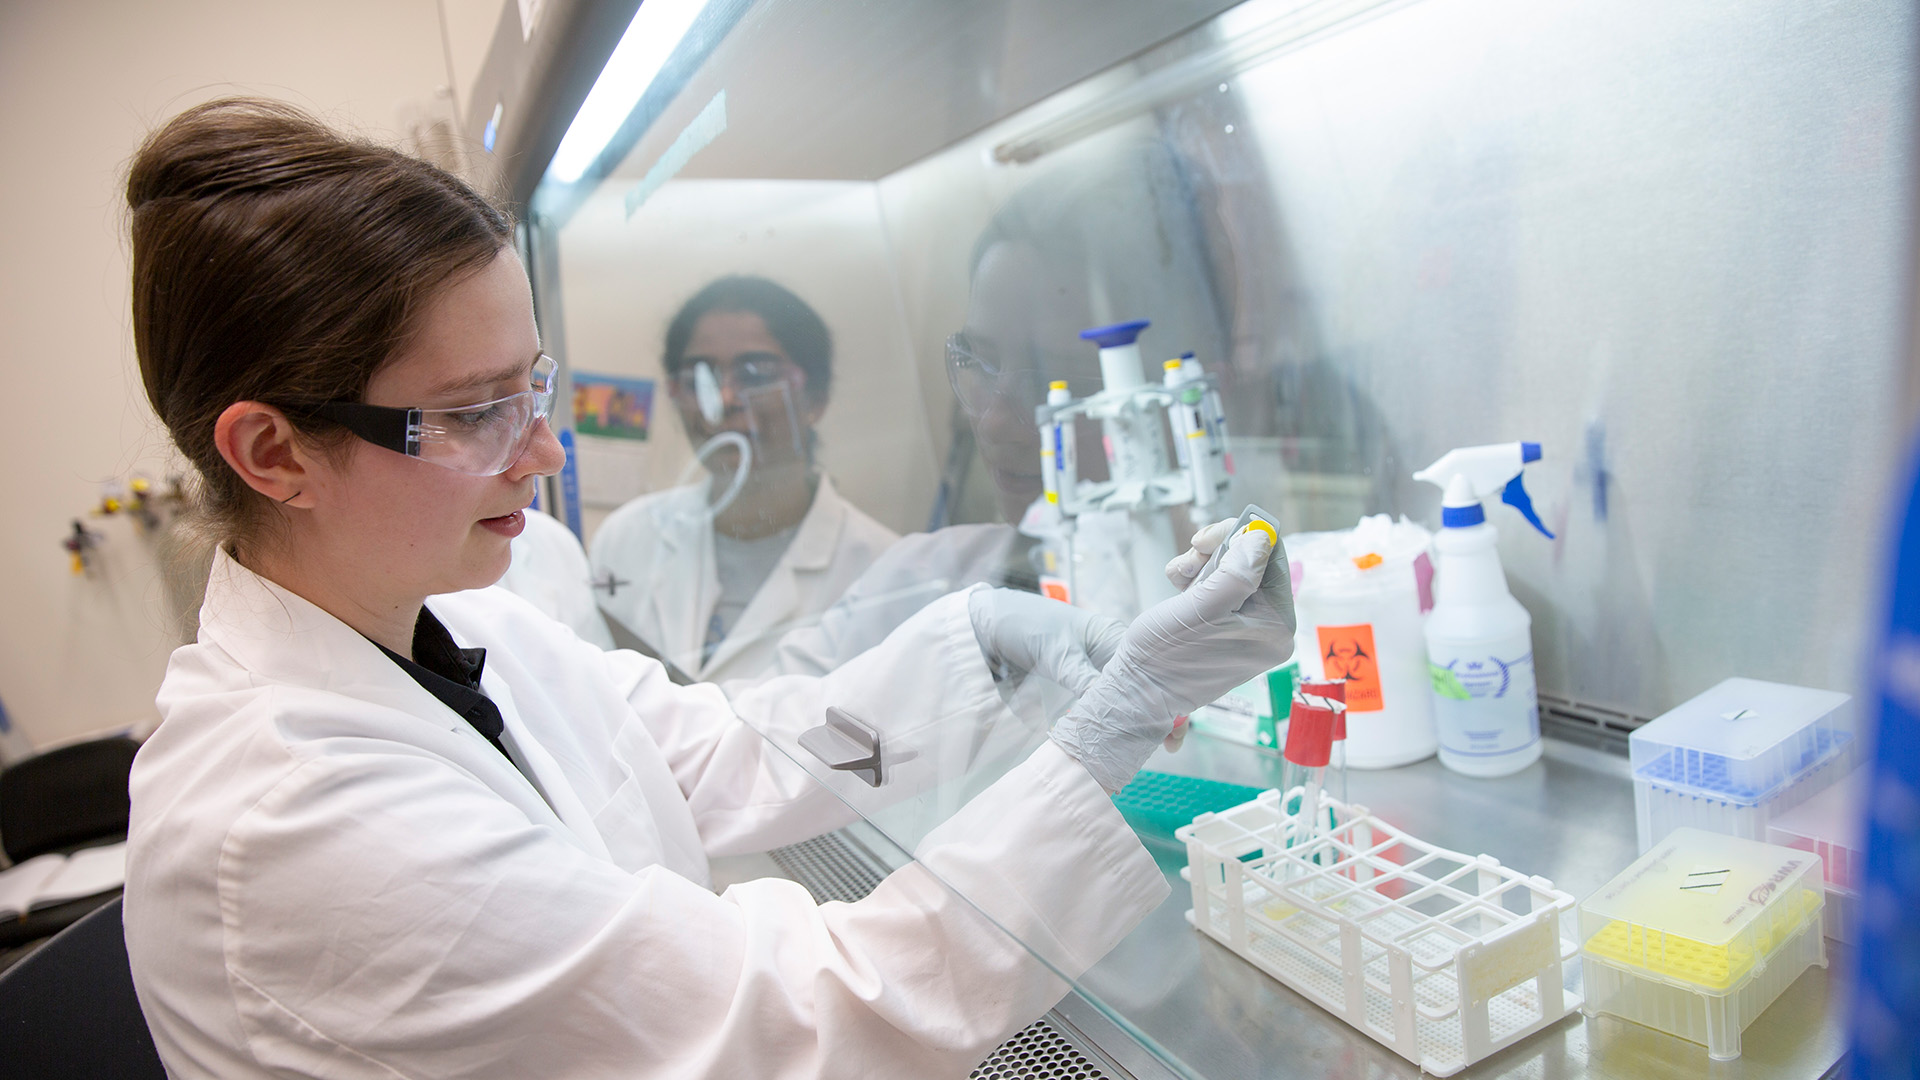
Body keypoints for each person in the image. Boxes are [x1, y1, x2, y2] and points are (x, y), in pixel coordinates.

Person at [119, 99, 1293, 1079]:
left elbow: (709, 749)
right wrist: (1108, 735)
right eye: (477, 413)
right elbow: (798, 1022)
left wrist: (981, 644)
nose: (545, 452)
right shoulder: (296, 823)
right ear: (271, 454)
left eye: (535, 388)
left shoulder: (448, 618)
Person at [590, 276, 897, 681]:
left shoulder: (883, 571)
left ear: (816, 398)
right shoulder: (627, 536)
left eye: (755, 374)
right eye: (700, 376)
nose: (726, 399)